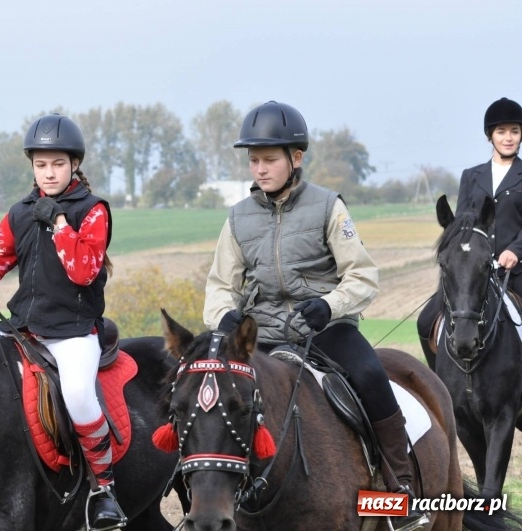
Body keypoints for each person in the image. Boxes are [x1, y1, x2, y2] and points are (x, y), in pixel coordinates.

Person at [203, 101, 428, 531]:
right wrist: (224, 317)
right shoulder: (237, 219)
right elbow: (219, 283)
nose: (260, 169)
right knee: (205, 387)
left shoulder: (328, 207)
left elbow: (362, 275)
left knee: (369, 375)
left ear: (297, 158)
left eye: (269, 159)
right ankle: (204, 488)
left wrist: (330, 305)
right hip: (261, 336)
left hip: (325, 329)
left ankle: (401, 488)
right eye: (253, 160)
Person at [0, 113, 125, 530]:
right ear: (32, 166)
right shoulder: (20, 213)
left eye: (58, 164)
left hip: (73, 333)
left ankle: (104, 489)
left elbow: (83, 270)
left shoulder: (93, 211)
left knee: (80, 396)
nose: (49, 173)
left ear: (75, 164)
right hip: (23, 328)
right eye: (41, 165)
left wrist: (59, 223)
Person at [417, 97, 522, 366]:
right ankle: (440, 384)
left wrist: (515, 251)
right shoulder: (471, 176)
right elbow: (462, 226)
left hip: (516, 272)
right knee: (426, 321)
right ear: (490, 136)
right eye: (501, 132)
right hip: (475, 273)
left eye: (514, 131)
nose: (508, 138)